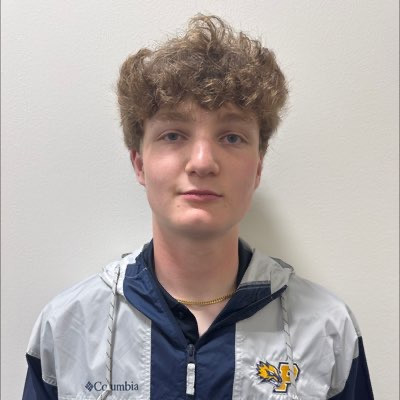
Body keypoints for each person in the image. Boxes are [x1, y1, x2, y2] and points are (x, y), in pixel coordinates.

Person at [22, 14, 374, 400]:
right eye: (174, 135)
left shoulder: (327, 331)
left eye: (232, 137)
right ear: (139, 163)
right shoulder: (66, 327)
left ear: (257, 167)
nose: (203, 162)